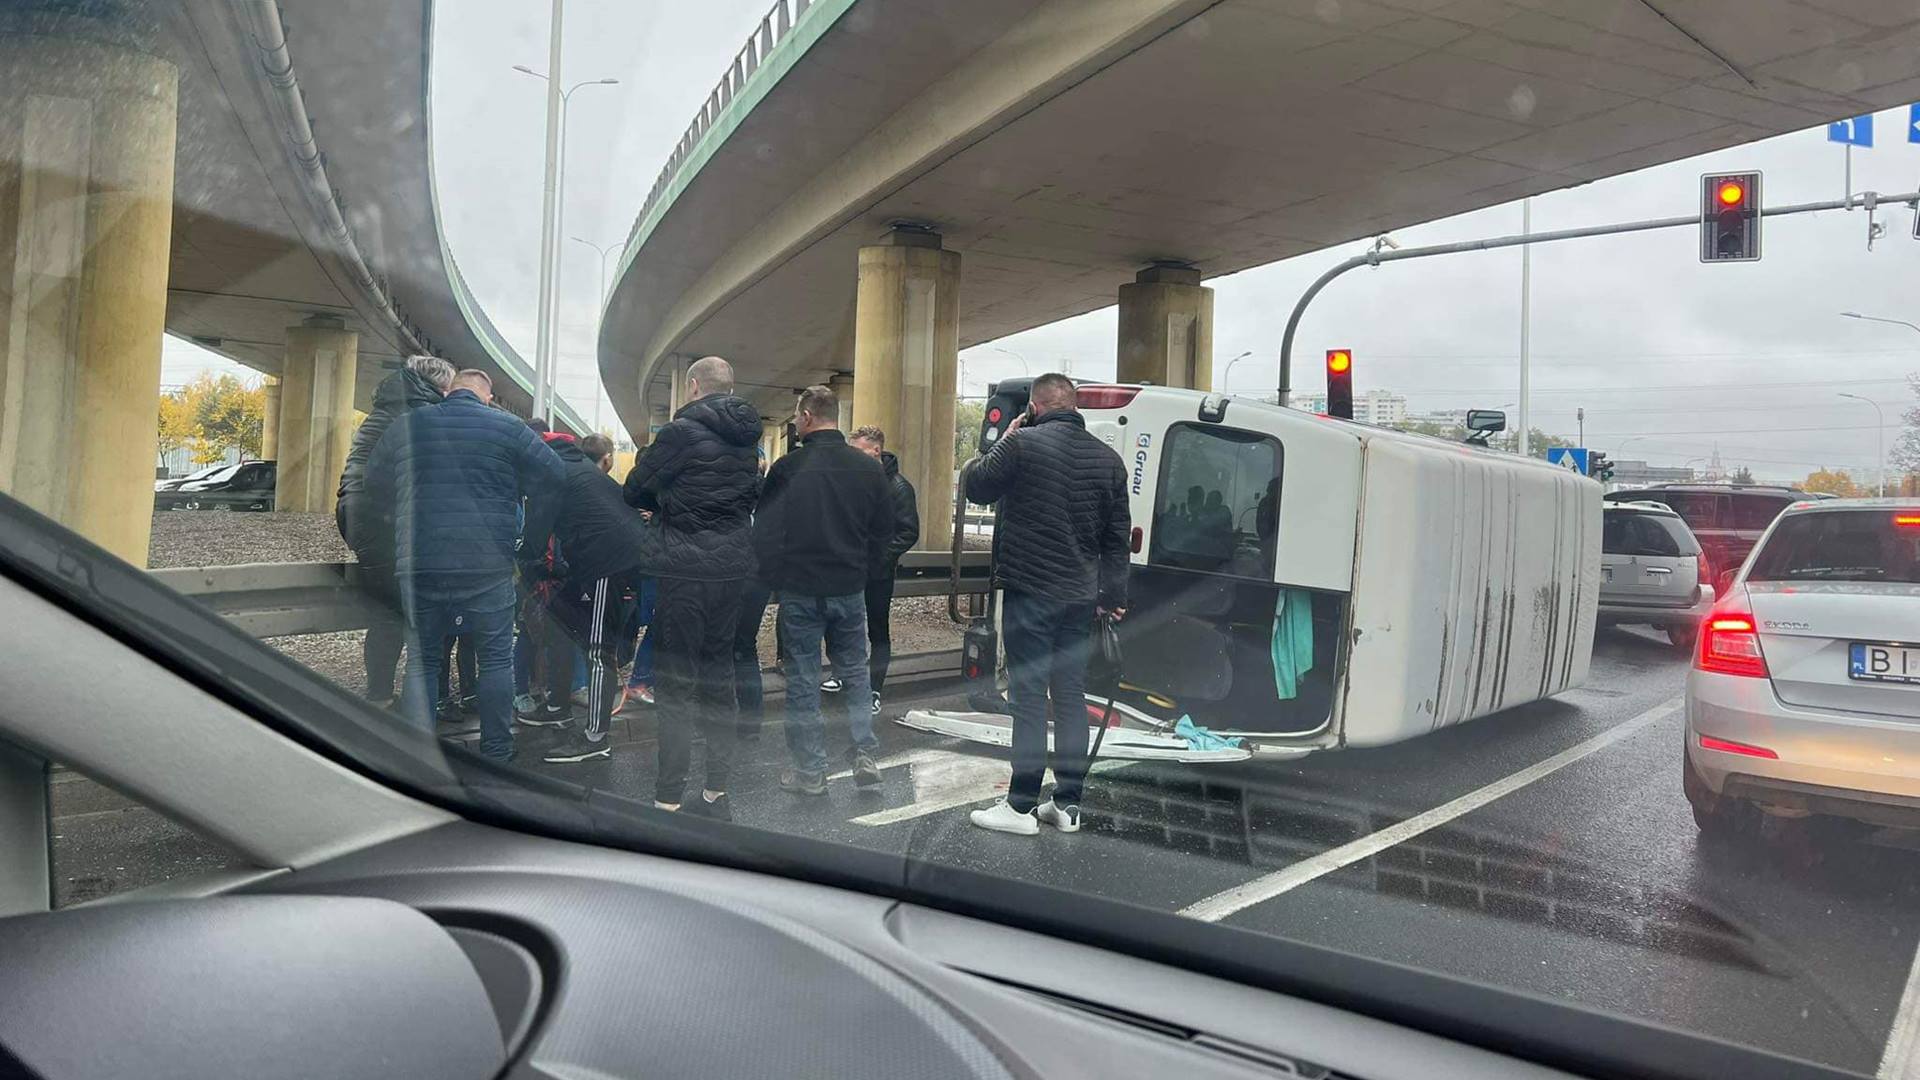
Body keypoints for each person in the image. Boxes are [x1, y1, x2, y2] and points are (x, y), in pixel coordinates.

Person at [366, 368, 565, 761]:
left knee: (422, 661)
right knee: (495, 659)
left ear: (449, 391)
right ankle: (496, 753)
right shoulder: (508, 427)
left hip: (420, 563)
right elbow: (555, 474)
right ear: (487, 396)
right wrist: (529, 527)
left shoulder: (408, 424)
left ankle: (419, 759)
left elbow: (372, 481)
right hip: (487, 565)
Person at [962, 373, 1130, 835]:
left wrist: (1009, 436)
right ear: (1074, 407)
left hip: (1030, 591)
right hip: (1080, 599)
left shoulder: (1022, 445)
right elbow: (1117, 541)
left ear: (1034, 407)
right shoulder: (1109, 460)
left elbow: (976, 484)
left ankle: (1019, 807)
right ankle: (1067, 805)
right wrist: (1113, 598)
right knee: (1071, 696)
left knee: (1029, 698)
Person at [624, 355, 763, 818]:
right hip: (731, 572)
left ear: (693, 386)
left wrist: (665, 501)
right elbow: (749, 498)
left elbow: (634, 489)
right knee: (720, 677)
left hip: (683, 573)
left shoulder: (679, 434)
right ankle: (716, 793)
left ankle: (666, 798)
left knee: (676, 684)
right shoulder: (749, 442)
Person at [754, 385, 894, 795]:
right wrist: (861, 573)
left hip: (801, 590)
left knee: (803, 680)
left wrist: (777, 576)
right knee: (854, 675)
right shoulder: (870, 469)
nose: (796, 424)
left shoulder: (787, 468)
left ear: (809, 416)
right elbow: (883, 534)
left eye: (798, 417)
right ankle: (865, 754)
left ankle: (810, 772)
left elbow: (765, 534)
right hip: (849, 590)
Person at [334, 354, 454, 704]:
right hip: (380, 517)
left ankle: (383, 694)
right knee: (395, 614)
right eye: (448, 389)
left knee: (388, 612)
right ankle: (387, 698)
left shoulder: (390, 406)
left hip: (357, 512)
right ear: (439, 386)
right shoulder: (415, 413)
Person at [537, 434, 650, 764]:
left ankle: (595, 738)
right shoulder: (581, 470)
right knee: (559, 620)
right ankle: (557, 707)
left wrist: (528, 560)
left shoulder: (555, 474)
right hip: (599, 560)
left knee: (599, 649)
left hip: (608, 564)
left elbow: (536, 531)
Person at [846, 425, 919, 717]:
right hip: (849, 569)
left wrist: (879, 558)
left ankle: (874, 689)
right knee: (845, 627)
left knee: (878, 630)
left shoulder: (899, 487)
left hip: (878, 572)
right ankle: (847, 678)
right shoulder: (851, 481)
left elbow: (908, 532)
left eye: (857, 451)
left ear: (875, 451)